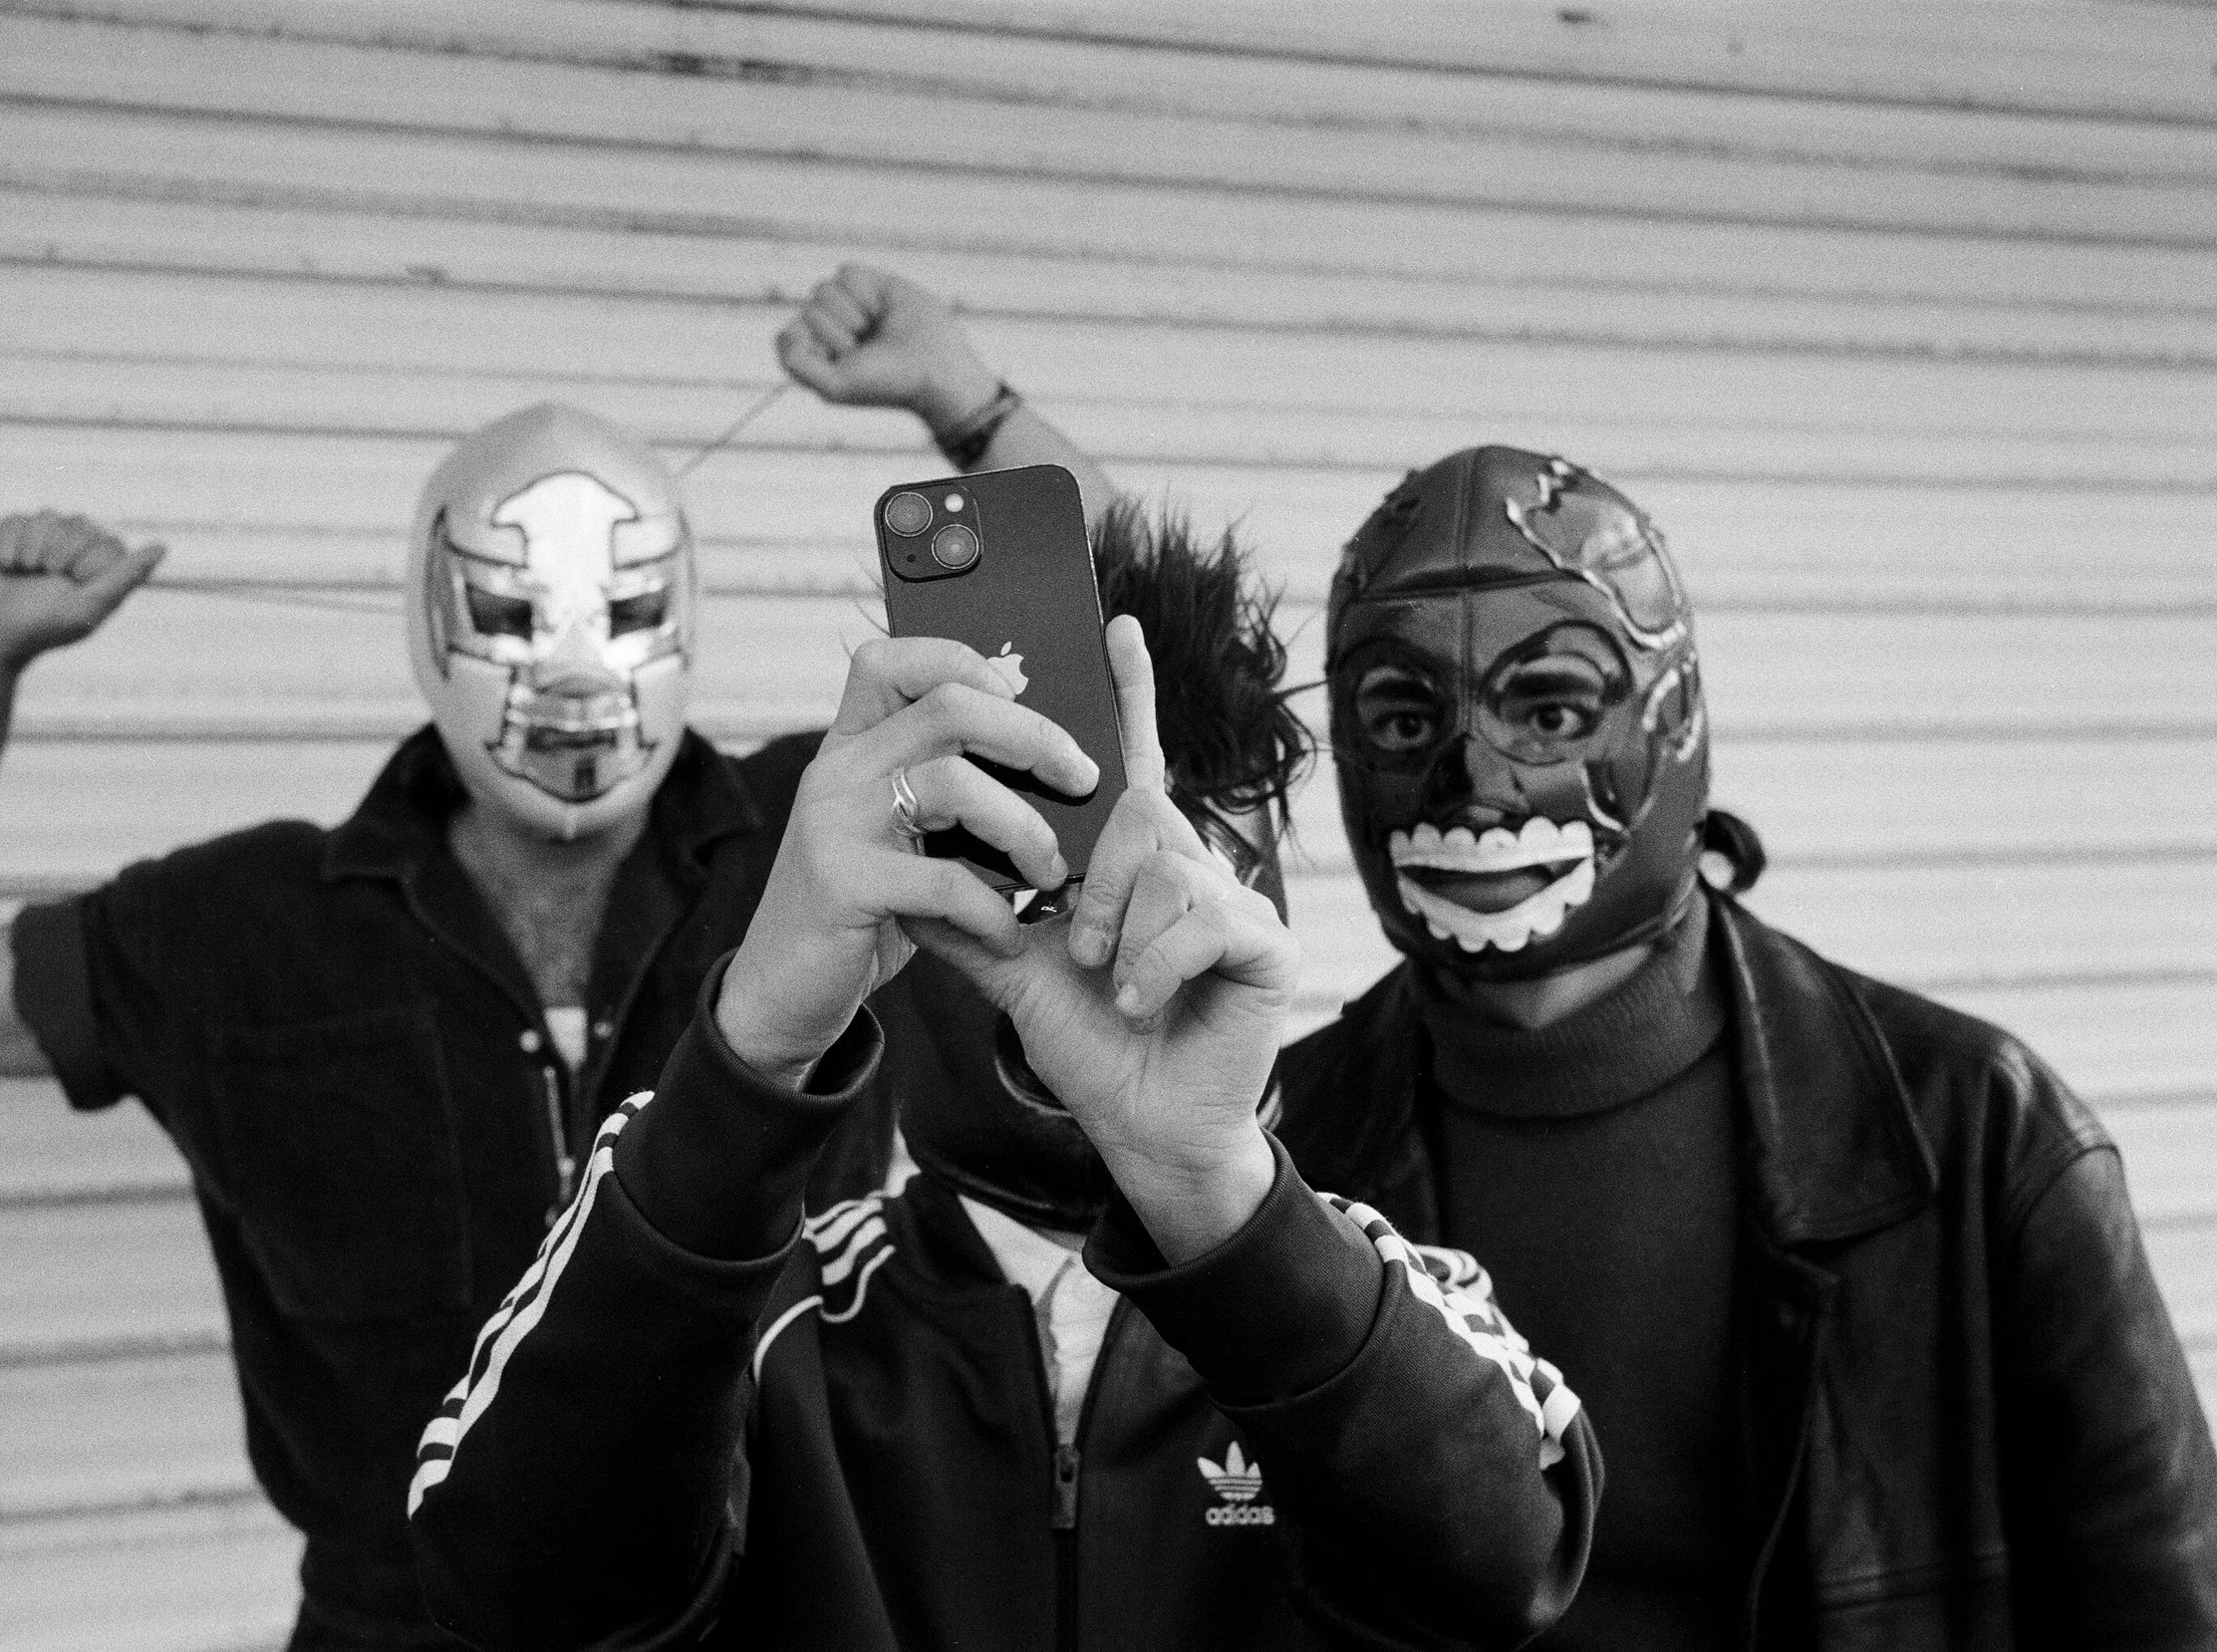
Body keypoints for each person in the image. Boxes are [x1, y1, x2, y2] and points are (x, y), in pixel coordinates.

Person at [0, 267, 1108, 1651]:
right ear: (433, 615)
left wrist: (962, 400)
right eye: (511, 616)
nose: (567, 672)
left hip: (784, 1598)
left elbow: (1086, 652)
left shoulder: (832, 837)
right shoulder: (245, 925)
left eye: (621, 614)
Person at [404, 531, 1603, 1649]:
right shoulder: (764, 1314)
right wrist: (752, 1054)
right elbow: (510, 1593)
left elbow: (1508, 1571)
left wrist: (1210, 1185)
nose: (1094, 947)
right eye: (1036, 869)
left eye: (1169, 892)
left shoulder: (1375, 1306)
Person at [1276, 445, 2217, 1649]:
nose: (1474, 780)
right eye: (1402, 713)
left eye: (1548, 709)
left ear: (1676, 715)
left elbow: (2165, 1617)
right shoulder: (1280, 1151)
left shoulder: (1973, 1133)